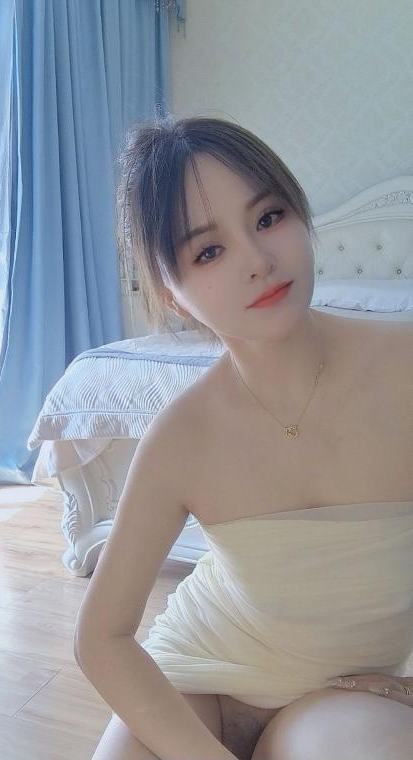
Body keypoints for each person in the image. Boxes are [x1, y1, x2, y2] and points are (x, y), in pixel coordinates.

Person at [74, 115, 413, 760]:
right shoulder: (182, 434)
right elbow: (100, 637)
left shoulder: (404, 369)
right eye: (208, 251)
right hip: (198, 675)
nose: (259, 261)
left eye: (268, 217)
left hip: (341, 697)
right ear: (173, 298)